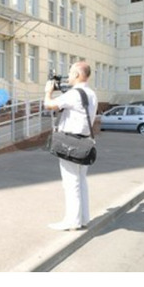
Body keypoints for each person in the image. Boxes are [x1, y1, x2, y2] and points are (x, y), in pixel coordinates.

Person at [43, 61, 98, 231]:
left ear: (77, 75)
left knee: (70, 182)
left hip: (71, 142)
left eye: (70, 72)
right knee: (80, 180)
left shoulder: (74, 94)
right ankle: (83, 218)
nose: (68, 76)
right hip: (84, 141)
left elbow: (49, 105)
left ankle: (71, 221)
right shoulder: (90, 93)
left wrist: (48, 92)